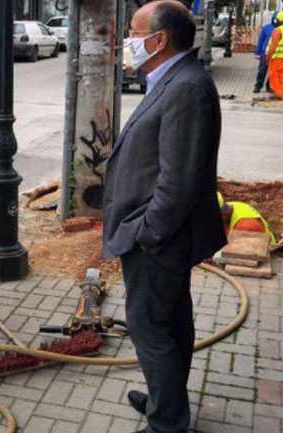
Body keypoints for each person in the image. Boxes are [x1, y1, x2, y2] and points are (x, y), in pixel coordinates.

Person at [102, 2, 226, 433]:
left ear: (159, 40)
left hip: (160, 237)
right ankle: (164, 400)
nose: (128, 41)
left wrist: (148, 234)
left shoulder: (186, 87)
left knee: (150, 326)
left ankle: (168, 423)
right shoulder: (173, 78)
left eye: (134, 33)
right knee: (172, 320)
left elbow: (179, 181)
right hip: (161, 234)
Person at [266, 10, 283, 99]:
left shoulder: (277, 31)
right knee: (280, 75)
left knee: (273, 75)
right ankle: (280, 91)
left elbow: (273, 46)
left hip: (275, 57)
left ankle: (278, 93)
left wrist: (268, 56)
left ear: (278, 20)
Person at [253, 12, 277, 93]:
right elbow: (261, 40)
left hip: (275, 55)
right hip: (264, 54)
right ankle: (258, 85)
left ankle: (269, 86)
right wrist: (257, 52)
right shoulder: (266, 28)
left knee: (272, 72)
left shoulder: (280, 29)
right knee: (262, 71)